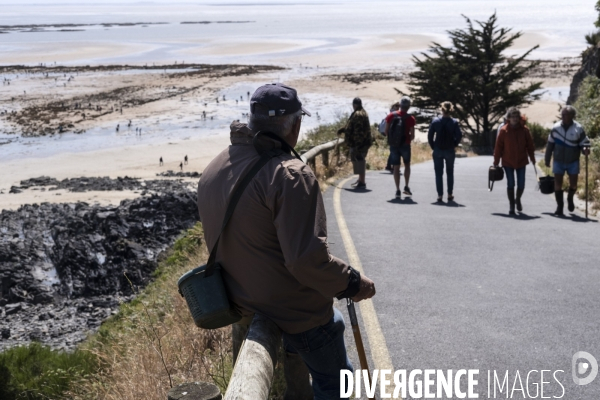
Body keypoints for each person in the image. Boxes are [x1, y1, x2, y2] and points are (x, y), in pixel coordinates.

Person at [197, 83, 376, 398]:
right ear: (295, 124)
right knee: (338, 380)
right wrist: (352, 281)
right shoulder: (291, 176)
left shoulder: (216, 166)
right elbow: (306, 261)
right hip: (291, 310)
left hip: (240, 304)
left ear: (253, 120)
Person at [544, 106, 591, 216]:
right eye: (562, 114)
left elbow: (584, 143)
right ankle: (559, 207)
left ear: (572, 116)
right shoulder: (555, 128)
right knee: (558, 184)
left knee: (573, 185)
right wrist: (547, 158)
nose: (563, 116)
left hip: (573, 161)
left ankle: (570, 198)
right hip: (558, 160)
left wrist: (585, 150)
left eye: (566, 114)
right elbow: (550, 144)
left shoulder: (578, 128)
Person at [493, 107, 535, 215]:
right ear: (508, 118)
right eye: (513, 117)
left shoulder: (525, 130)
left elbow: (530, 146)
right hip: (508, 161)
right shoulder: (503, 130)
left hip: (521, 161)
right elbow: (498, 148)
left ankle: (518, 199)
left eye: (517, 116)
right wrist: (496, 162)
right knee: (511, 183)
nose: (515, 119)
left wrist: (532, 158)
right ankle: (512, 204)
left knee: (521, 184)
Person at [428, 102, 463, 202]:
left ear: (441, 109)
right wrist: (455, 144)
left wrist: (433, 146)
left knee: (438, 173)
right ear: (451, 109)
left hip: (438, 149)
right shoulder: (454, 122)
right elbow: (459, 135)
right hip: (449, 149)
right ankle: (449, 194)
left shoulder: (435, 121)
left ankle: (439, 195)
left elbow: (430, 136)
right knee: (450, 172)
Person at [384, 96, 416, 199]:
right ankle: (406, 187)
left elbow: (386, 131)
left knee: (396, 167)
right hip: (405, 145)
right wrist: (407, 140)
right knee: (407, 165)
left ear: (400, 105)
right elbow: (412, 135)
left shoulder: (390, 116)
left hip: (394, 145)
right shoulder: (410, 118)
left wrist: (393, 140)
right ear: (408, 107)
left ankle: (397, 190)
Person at [337, 98, 372, 189]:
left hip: (360, 143)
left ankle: (362, 181)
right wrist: (343, 129)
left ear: (354, 105)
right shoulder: (362, 112)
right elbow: (351, 126)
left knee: (359, 160)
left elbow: (358, 131)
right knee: (360, 160)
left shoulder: (358, 114)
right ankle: (360, 180)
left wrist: (357, 145)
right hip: (363, 142)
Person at [381, 102, 400, 172]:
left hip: (392, 134)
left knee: (393, 150)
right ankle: (390, 165)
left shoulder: (393, 114)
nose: (398, 107)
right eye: (396, 106)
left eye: (399, 106)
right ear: (393, 106)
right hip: (392, 135)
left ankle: (389, 165)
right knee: (394, 150)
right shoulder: (393, 115)